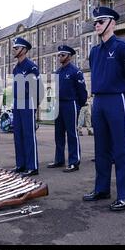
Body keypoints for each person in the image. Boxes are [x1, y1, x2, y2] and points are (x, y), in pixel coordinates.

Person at [82, 7, 125, 212]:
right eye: (95, 21)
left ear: (112, 23)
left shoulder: (123, 47)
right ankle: (102, 188)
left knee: (120, 149)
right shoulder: (95, 51)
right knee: (101, 148)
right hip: (99, 101)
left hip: (117, 99)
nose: (96, 24)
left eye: (101, 21)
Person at [47, 45, 87, 173]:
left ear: (69, 56)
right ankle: (59, 159)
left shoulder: (76, 71)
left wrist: (79, 105)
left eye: (62, 55)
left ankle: (74, 161)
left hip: (70, 104)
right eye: (59, 55)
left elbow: (82, 92)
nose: (60, 57)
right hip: (58, 104)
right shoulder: (57, 72)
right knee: (58, 134)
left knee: (71, 133)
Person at [11, 37, 44, 177]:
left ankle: (32, 166)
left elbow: (38, 89)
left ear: (24, 50)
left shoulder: (31, 66)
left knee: (28, 135)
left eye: (17, 48)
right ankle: (21, 164)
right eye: (14, 48)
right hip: (17, 103)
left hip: (28, 102)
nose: (14, 50)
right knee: (17, 134)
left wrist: (35, 107)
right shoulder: (16, 68)